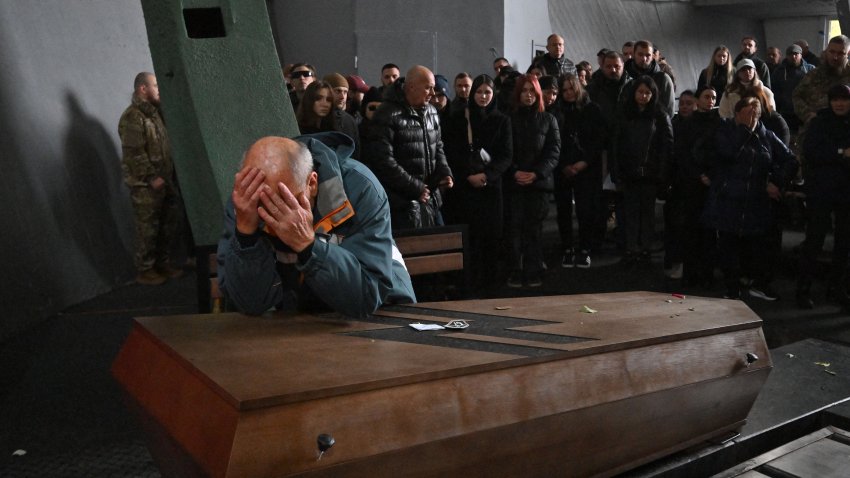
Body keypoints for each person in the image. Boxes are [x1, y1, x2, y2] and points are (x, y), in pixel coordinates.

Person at [217, 133, 416, 318]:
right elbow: (250, 304)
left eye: (284, 201)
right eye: (264, 204)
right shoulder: (246, 202)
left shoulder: (361, 188)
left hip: (385, 312)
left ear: (312, 183)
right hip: (301, 321)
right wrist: (245, 236)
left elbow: (366, 295)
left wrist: (308, 246)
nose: (272, 214)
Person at [702, 97, 797, 299]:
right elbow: (727, 154)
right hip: (729, 198)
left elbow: (790, 160)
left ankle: (757, 284)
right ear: (737, 114)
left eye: (756, 113)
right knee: (728, 244)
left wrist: (777, 182)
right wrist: (743, 131)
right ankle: (731, 287)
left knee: (757, 246)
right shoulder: (725, 132)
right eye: (747, 113)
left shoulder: (767, 136)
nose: (752, 117)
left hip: (755, 200)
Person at [443, 74, 513, 289]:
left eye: (487, 92)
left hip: (490, 188)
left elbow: (506, 156)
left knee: (491, 239)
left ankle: (490, 285)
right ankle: (468, 284)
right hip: (465, 188)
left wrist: (487, 176)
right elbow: (451, 152)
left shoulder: (502, 120)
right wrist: (467, 175)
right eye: (479, 92)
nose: (483, 96)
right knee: (469, 238)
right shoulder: (458, 118)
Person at [365, 65, 454, 230]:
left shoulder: (432, 113)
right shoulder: (386, 114)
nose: (433, 94)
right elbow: (383, 160)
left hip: (431, 201)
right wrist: (415, 188)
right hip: (401, 205)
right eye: (428, 88)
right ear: (412, 87)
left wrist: (444, 172)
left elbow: (438, 147)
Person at [118, 72, 183, 285]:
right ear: (142, 89)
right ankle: (145, 269)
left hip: (165, 180)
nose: (159, 90)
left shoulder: (155, 114)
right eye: (155, 86)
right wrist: (150, 177)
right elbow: (134, 152)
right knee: (148, 228)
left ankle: (162, 263)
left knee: (167, 225)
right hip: (147, 185)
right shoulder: (133, 117)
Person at [796, 84, 850, 309]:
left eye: (844, 100)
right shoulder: (820, 121)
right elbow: (811, 152)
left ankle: (837, 288)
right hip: (822, 189)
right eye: (835, 99)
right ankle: (803, 289)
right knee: (815, 239)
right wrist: (841, 153)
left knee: (844, 242)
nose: (839, 103)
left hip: (846, 191)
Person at [612, 76, 673, 266]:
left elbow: (667, 146)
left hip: (650, 173)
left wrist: (663, 174)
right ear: (633, 92)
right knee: (629, 212)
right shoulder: (624, 113)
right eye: (640, 92)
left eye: (648, 92)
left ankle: (645, 248)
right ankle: (631, 248)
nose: (644, 96)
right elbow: (615, 144)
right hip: (629, 172)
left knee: (647, 214)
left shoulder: (660, 115)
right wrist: (616, 171)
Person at [506, 74, 561, 288]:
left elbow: (553, 152)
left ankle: (533, 269)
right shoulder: (508, 118)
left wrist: (536, 174)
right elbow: (504, 151)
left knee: (534, 230)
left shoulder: (549, 120)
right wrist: (514, 172)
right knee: (514, 229)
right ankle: (515, 270)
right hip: (515, 183)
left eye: (532, 91)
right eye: (524, 90)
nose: (528, 95)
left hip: (539, 184)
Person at [669, 86, 721, 286]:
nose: (710, 100)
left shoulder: (720, 124)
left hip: (711, 184)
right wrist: (699, 174)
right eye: (707, 96)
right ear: (698, 100)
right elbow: (682, 154)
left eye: (714, 97)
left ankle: (707, 273)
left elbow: (721, 152)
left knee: (709, 231)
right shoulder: (687, 124)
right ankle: (690, 273)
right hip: (691, 183)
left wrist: (711, 175)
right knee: (691, 229)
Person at [552, 74, 605, 269]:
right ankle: (567, 247)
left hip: (587, 168)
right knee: (563, 210)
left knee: (586, 210)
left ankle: (585, 248)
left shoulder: (593, 110)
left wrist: (583, 162)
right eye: (564, 90)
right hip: (563, 167)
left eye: (570, 89)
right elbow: (554, 142)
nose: (568, 93)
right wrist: (565, 164)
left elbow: (598, 140)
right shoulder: (557, 111)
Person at [793, 35, 850, 125]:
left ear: (848, 53)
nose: (835, 57)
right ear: (826, 51)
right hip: (815, 128)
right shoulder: (814, 74)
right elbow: (797, 95)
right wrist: (808, 115)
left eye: (840, 53)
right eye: (832, 52)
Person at [771, 44, 815, 134]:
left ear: (801, 55)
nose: (793, 56)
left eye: (796, 54)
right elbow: (775, 90)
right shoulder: (779, 71)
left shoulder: (810, 69)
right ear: (787, 56)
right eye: (790, 54)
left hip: (805, 110)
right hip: (787, 111)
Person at [624, 40, 675, 116]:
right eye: (640, 54)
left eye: (648, 55)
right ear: (634, 54)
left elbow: (669, 111)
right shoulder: (625, 76)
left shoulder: (662, 79)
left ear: (652, 57)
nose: (644, 59)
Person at [322, 73, 361, 159]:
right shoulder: (318, 117)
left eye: (345, 92)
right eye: (338, 91)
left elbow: (356, 152)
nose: (342, 96)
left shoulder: (350, 120)